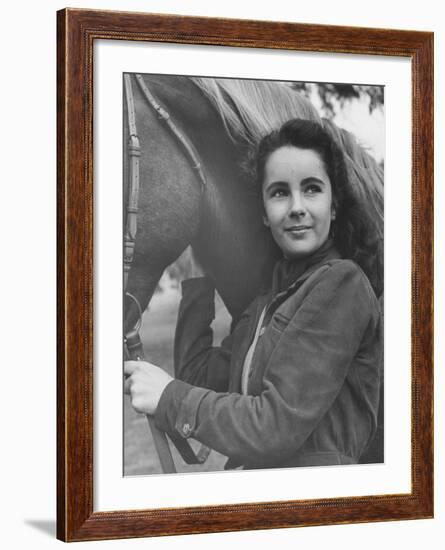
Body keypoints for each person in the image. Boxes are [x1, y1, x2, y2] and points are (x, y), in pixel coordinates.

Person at [124, 118, 383, 470]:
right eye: (279, 192)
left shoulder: (343, 284)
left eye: (311, 189)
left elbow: (274, 426)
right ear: (263, 213)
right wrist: (200, 273)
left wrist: (169, 397)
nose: (296, 207)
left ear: (334, 205)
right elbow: (197, 376)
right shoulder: (267, 302)